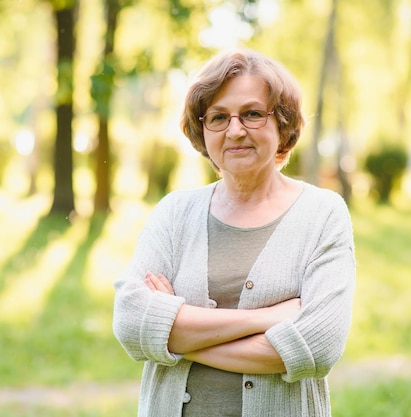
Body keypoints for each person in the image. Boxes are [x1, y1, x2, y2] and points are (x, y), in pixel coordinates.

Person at [113, 48, 355, 417]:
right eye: (218, 117)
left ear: (283, 124)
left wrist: (173, 335)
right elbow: (132, 323)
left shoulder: (322, 214)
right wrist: (266, 319)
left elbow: (316, 346)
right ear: (203, 129)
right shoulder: (174, 213)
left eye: (253, 114)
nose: (235, 130)